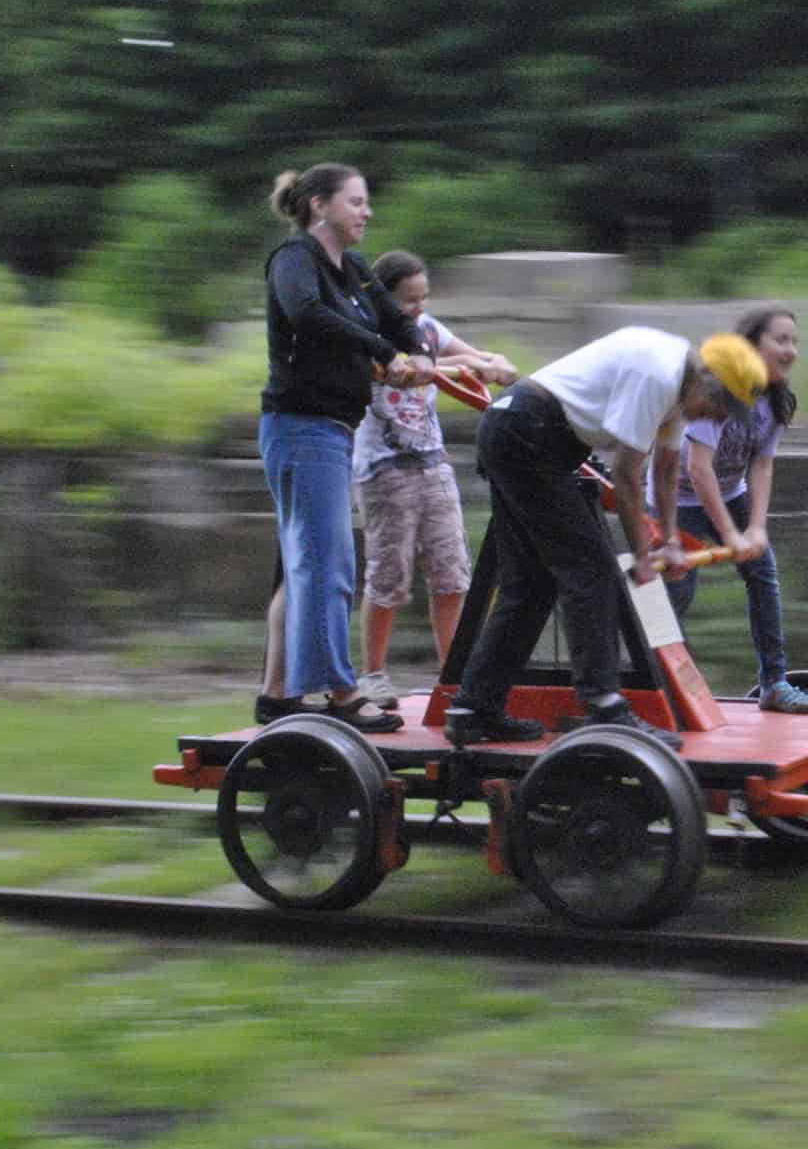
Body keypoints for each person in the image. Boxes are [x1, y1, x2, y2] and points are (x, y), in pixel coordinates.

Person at [442, 327, 768, 750]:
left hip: (520, 431)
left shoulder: (678, 384)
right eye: (721, 408)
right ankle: (605, 704)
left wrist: (667, 540)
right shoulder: (658, 376)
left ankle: (473, 708)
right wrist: (642, 555)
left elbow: (666, 470)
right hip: (527, 433)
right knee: (592, 572)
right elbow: (628, 476)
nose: (717, 420)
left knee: (530, 584)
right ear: (707, 382)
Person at [253, 163, 433, 733]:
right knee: (329, 562)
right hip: (301, 427)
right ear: (319, 206)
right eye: (356, 202)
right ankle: (340, 693)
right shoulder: (294, 262)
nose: (367, 212)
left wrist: (415, 352)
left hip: (332, 429)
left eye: (366, 202)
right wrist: (385, 351)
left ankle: (276, 696)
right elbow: (308, 315)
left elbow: (397, 320)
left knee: (302, 564)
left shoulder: (354, 268)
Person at [350, 249, 518, 710]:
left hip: (432, 461)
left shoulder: (427, 329)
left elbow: (466, 355)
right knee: (389, 576)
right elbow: (410, 373)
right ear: (385, 298)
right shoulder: (365, 333)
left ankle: (455, 674)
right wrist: (471, 368)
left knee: (452, 573)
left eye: (423, 298)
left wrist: (494, 360)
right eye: (408, 300)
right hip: (385, 467)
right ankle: (374, 675)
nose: (418, 308)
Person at [653, 308, 808, 713]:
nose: (790, 350)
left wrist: (756, 528)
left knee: (763, 574)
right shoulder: (719, 389)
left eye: (794, 341)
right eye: (780, 340)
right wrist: (730, 534)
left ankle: (774, 684)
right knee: (675, 592)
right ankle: (668, 693)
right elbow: (697, 467)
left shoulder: (775, 400)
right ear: (752, 344)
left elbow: (762, 464)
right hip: (679, 499)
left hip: (731, 493)